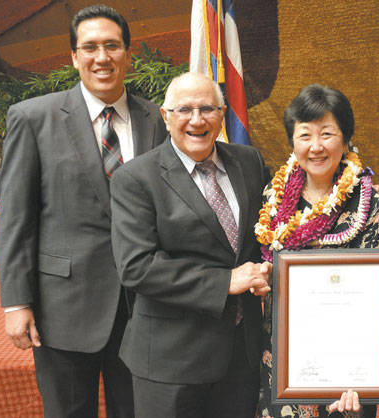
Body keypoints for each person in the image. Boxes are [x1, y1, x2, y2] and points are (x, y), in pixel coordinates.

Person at [0, 5, 167, 417]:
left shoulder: (156, 119)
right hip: (64, 309)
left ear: (128, 55)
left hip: (141, 309)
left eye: (112, 46)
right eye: (89, 47)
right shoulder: (33, 118)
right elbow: (17, 217)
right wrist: (16, 303)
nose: (101, 57)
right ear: (73, 57)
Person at [109, 71, 272, 418]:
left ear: (222, 113)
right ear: (166, 117)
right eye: (184, 110)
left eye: (207, 109)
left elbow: (278, 224)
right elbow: (136, 267)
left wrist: (354, 192)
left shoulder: (249, 162)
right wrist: (225, 282)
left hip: (241, 355)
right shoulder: (136, 179)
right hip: (171, 362)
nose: (196, 120)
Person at [255, 84, 379, 418]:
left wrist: (360, 371)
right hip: (284, 352)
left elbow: (374, 297)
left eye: (327, 134)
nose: (316, 147)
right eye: (305, 135)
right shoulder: (274, 196)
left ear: (345, 139)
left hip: (347, 362)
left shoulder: (367, 202)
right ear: (292, 141)